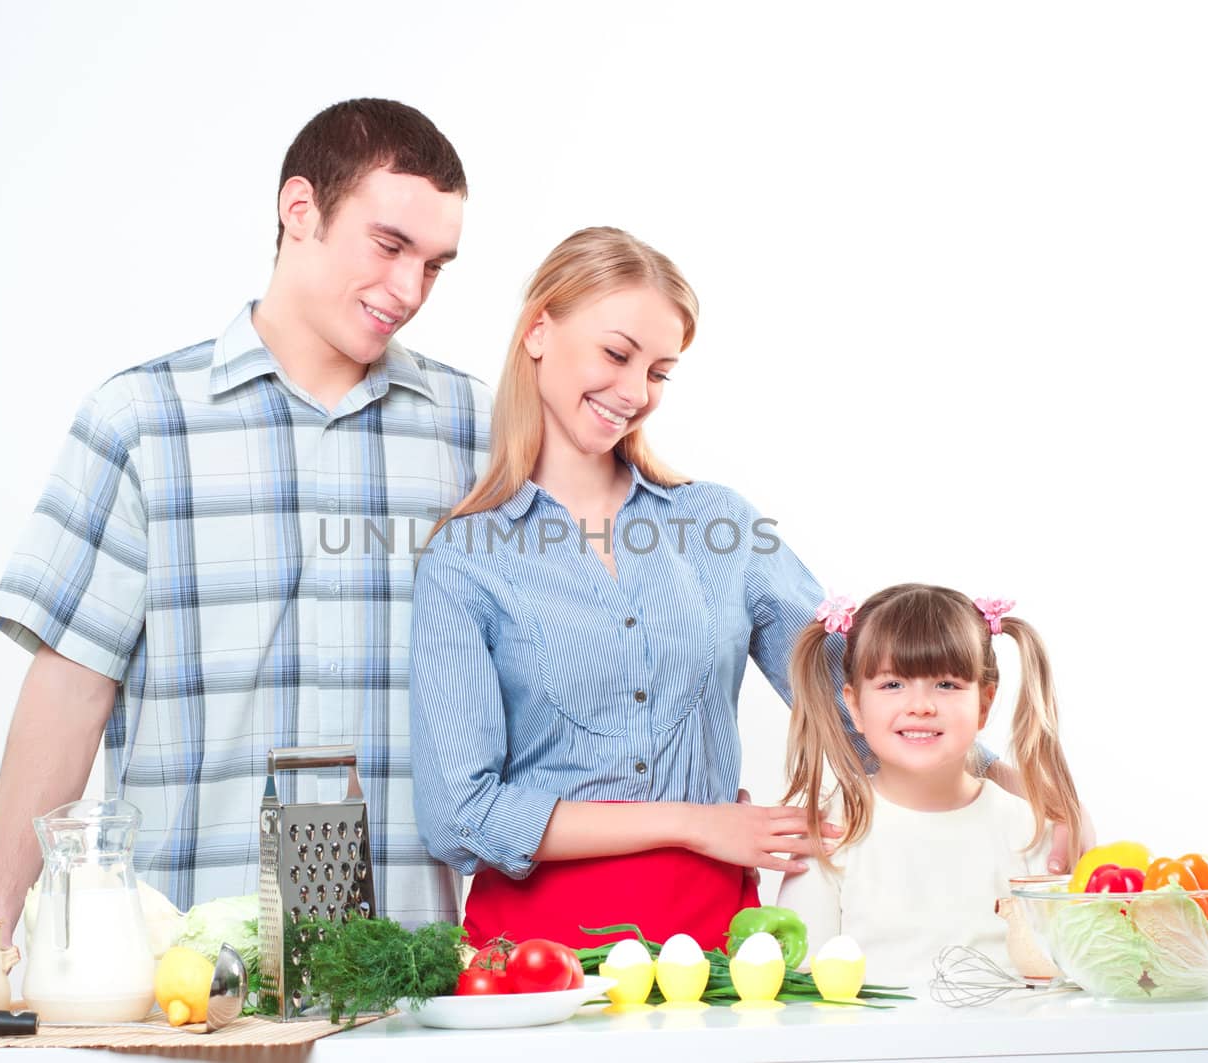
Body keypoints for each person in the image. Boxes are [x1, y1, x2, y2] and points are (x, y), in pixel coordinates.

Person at [0, 99, 492, 936]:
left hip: (407, 965)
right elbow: (70, 689)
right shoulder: (142, 419)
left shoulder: (475, 428)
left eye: (434, 265)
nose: (409, 289)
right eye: (390, 246)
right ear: (300, 210)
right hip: (185, 963)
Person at [407, 228, 1000, 951]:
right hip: (534, 955)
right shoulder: (466, 558)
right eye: (617, 354)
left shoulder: (720, 525)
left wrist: (1023, 788)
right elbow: (460, 814)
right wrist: (695, 820)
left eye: (659, 370)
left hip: (713, 939)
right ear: (538, 331)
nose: (635, 392)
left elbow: (867, 699)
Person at [776, 584, 1084, 983]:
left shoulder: (1026, 829)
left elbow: (1064, 969)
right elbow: (798, 976)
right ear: (854, 706)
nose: (921, 705)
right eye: (892, 685)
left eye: (946, 685)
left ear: (984, 705)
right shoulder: (830, 830)